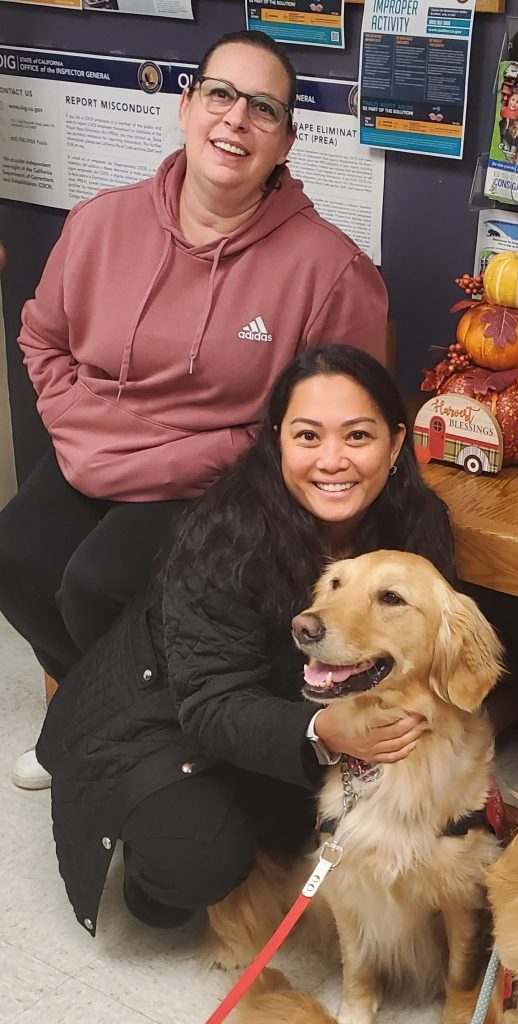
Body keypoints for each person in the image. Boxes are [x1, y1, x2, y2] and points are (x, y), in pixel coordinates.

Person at [0, 30, 387, 790]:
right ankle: (98, 713)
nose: (235, 120)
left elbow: (339, 423)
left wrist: (203, 456)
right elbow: (41, 336)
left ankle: (132, 733)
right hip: (94, 448)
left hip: (221, 477)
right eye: (220, 94)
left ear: (285, 142)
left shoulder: (331, 269)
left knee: (95, 582)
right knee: (13, 555)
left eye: (263, 109)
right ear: (185, 107)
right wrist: (74, 422)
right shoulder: (99, 223)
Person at [35, 344, 454, 935]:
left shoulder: (418, 524)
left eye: (358, 436)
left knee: (307, 821)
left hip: (288, 715)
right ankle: (155, 860)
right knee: (193, 864)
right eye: (308, 437)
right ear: (277, 439)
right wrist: (323, 732)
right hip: (163, 717)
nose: (332, 460)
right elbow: (210, 702)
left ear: (396, 443)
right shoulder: (224, 534)